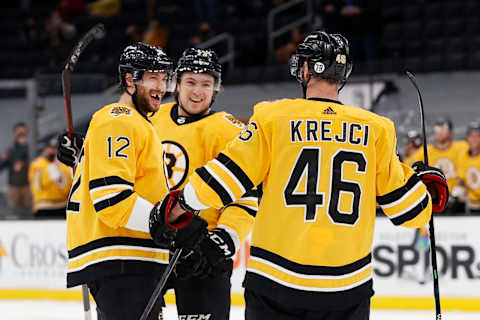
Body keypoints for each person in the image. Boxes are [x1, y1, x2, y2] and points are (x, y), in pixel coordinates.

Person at [150, 31, 449, 320]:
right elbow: (411, 212)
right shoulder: (376, 128)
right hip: (347, 287)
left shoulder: (273, 117)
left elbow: (224, 180)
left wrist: (179, 204)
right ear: (343, 75)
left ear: (304, 69)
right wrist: (429, 189)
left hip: (276, 284)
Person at [61, 43, 175, 320]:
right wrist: (166, 224)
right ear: (129, 79)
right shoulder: (119, 119)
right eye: (152, 77)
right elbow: (111, 198)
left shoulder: (135, 122)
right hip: (123, 260)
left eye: (163, 77)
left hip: (127, 260)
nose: (160, 85)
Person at [150, 48, 257, 319]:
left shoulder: (230, 132)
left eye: (206, 84)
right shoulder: (151, 119)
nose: (198, 92)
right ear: (176, 83)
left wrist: (223, 239)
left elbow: (246, 197)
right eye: (191, 82)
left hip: (202, 252)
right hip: (151, 244)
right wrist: (84, 153)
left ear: (216, 88)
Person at [410, 118, 468, 214]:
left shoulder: (463, 147)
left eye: (443, 129)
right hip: (434, 200)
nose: (439, 132)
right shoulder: (424, 151)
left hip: (458, 203)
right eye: (437, 129)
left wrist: (461, 189)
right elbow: (412, 171)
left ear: (450, 132)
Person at [28, 138, 72, 219]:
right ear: (44, 149)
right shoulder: (37, 165)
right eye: (50, 148)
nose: (52, 151)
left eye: (55, 148)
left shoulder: (65, 165)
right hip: (43, 207)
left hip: (62, 206)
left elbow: (67, 188)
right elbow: (37, 187)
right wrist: (53, 169)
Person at [0, 122, 32, 216]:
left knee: (29, 213)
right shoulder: (10, 150)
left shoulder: (31, 148)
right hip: (13, 188)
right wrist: (3, 159)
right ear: (14, 134)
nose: (21, 136)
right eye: (19, 133)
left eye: (24, 133)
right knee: (12, 213)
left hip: (28, 187)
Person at [456, 121, 480, 214]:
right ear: (467, 138)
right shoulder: (463, 156)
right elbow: (461, 181)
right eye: (471, 136)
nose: (474, 139)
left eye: (478, 136)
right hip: (471, 206)